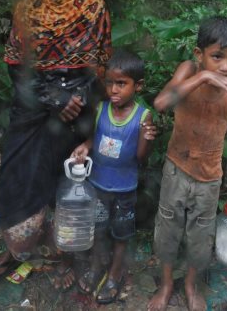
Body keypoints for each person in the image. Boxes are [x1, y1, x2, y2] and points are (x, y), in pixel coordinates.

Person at [0, 0, 112, 292]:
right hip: (33, 107)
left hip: (77, 112)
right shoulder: (27, 8)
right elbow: (15, 66)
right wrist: (54, 98)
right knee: (16, 179)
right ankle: (18, 248)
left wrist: (75, 99)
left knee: (68, 182)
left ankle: (65, 256)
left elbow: (99, 68)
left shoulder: (93, 9)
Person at [147, 17, 227, 311]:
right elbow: (161, 103)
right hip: (176, 168)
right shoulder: (188, 71)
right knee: (167, 228)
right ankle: (167, 284)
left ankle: (191, 285)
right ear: (199, 54)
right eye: (216, 57)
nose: (226, 67)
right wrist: (203, 78)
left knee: (201, 235)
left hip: (209, 177)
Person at [70, 50, 157, 303]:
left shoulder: (142, 117)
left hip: (125, 189)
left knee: (121, 234)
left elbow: (140, 157)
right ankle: (97, 266)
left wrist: (148, 140)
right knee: (98, 229)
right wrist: (85, 146)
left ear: (137, 86)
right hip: (98, 185)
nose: (114, 89)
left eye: (121, 83)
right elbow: (94, 139)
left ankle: (115, 273)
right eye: (110, 83)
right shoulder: (101, 109)